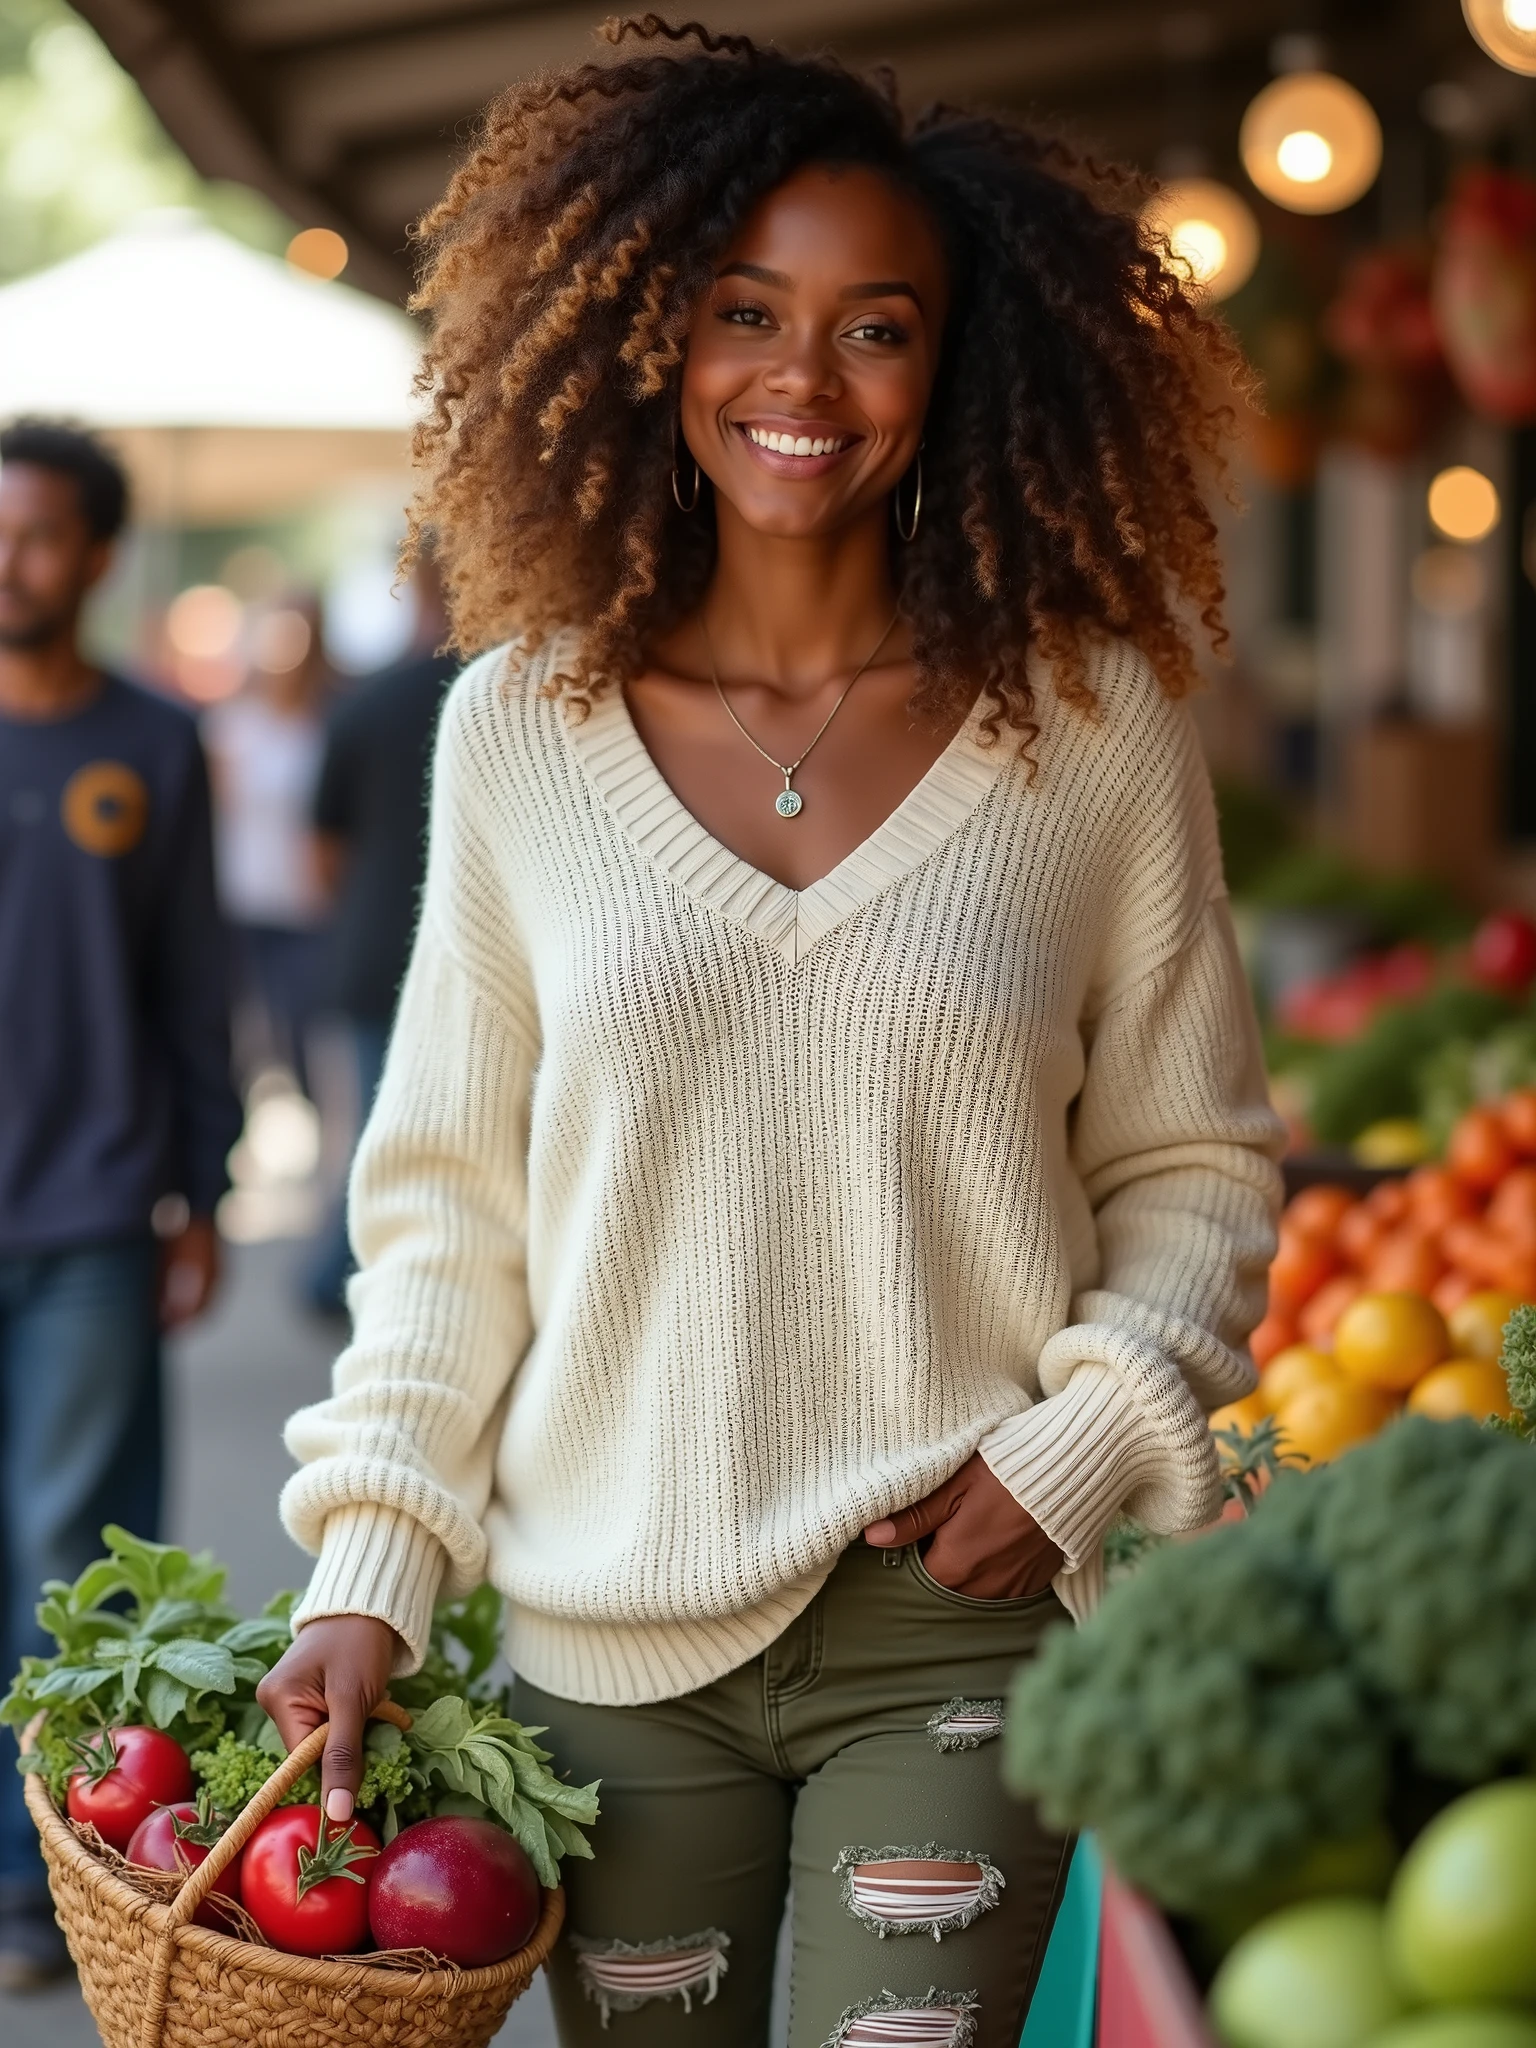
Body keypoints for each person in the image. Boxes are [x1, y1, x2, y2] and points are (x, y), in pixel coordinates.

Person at [258, 24, 1284, 2048]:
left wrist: (1083, 1443)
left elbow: (1196, 1165)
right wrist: (366, 1564)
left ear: (960, 365)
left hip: (952, 1617)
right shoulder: (518, 733)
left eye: (876, 327)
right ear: (653, 337)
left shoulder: (1090, 732)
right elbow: (449, 1212)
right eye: (748, 312)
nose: (803, 381)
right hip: (601, 1639)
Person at [0, 419, 241, 1988]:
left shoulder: (153, 744)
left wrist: (201, 1187)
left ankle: (43, 1887)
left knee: (66, 1557)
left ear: (96, 557)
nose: (8, 562)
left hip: (92, 1209)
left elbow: (191, 984)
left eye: (37, 535)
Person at [303, 560, 456, 1314]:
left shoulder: (365, 702)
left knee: (377, 1133)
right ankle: (351, 1278)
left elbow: (323, 851)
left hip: (376, 947)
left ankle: (345, 1277)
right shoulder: (527, 693)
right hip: (461, 961)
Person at [203, 593, 332, 1099]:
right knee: (243, 1030)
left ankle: (313, 1119)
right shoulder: (231, 727)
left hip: (302, 906)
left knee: (301, 1025)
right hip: (239, 899)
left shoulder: (320, 727)